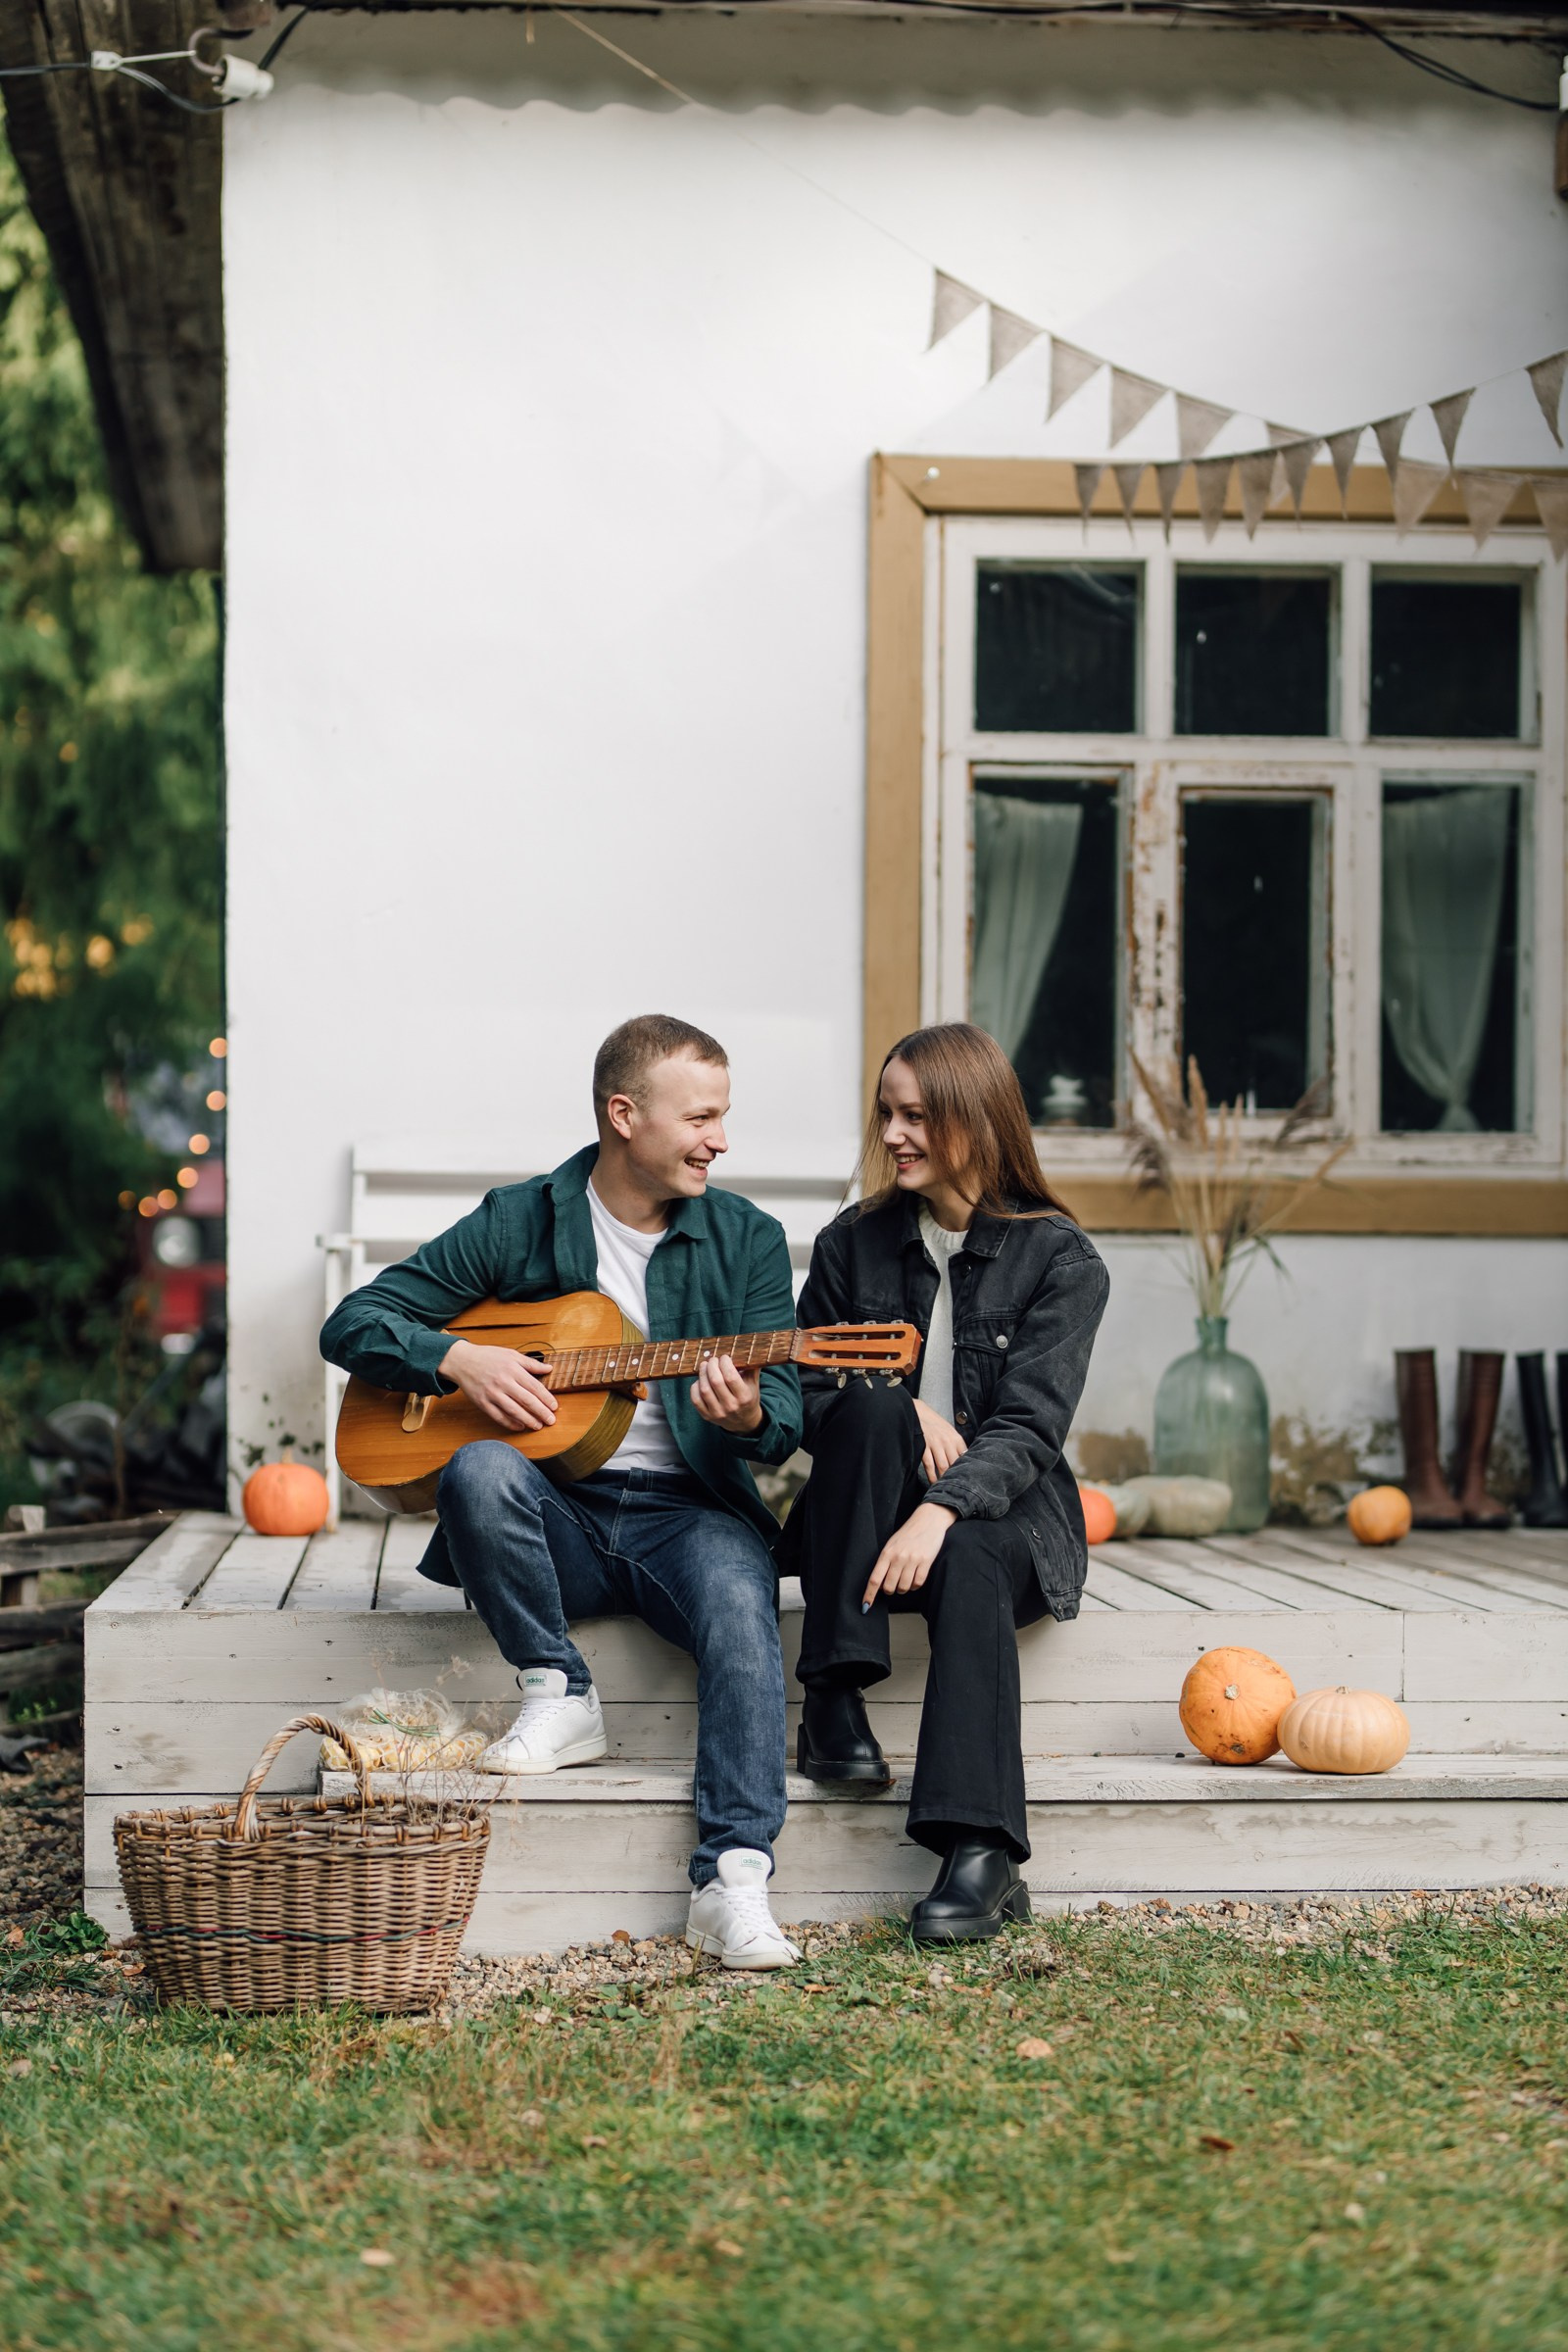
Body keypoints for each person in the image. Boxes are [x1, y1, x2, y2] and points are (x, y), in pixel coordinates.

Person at [319, 1014, 804, 1970]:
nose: (719, 1138)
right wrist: (456, 1358)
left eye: (723, 1116)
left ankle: (733, 1881)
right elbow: (354, 1321)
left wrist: (748, 1415)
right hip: (556, 1521)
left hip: (691, 1519)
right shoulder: (522, 1218)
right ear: (624, 1115)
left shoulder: (746, 1237)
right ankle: (560, 1689)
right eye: (699, 1117)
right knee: (478, 1463)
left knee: (746, 1618)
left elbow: (784, 1409)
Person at [782, 1023, 1108, 1944]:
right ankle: (835, 1697)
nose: (892, 1134)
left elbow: (1029, 1429)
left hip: (1002, 1522)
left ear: (977, 1120)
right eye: (886, 1112)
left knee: (965, 1556)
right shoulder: (854, 1242)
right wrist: (887, 1399)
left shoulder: (1060, 1260)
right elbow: (804, 1390)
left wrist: (941, 1505)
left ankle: (980, 1850)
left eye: (917, 1115)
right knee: (871, 1406)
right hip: (861, 1507)